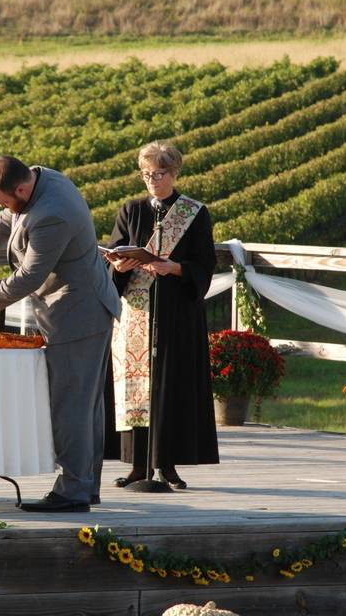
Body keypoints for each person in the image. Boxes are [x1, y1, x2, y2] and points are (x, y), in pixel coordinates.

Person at [0, 155, 121, 512]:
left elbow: (29, 276)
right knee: (85, 404)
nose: (2, 208)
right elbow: (6, 220)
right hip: (83, 309)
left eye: (4, 199)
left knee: (72, 406)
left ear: (22, 188)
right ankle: (84, 485)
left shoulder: (52, 214)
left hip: (78, 313)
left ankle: (73, 491)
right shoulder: (40, 180)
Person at [104, 140, 219, 490]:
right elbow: (116, 250)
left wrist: (176, 269)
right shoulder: (131, 210)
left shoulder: (194, 213)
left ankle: (167, 464)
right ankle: (138, 465)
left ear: (174, 173)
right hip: (135, 311)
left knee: (170, 384)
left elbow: (204, 263)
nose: (152, 180)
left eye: (159, 173)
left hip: (176, 311)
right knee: (135, 388)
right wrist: (119, 264)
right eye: (146, 174)